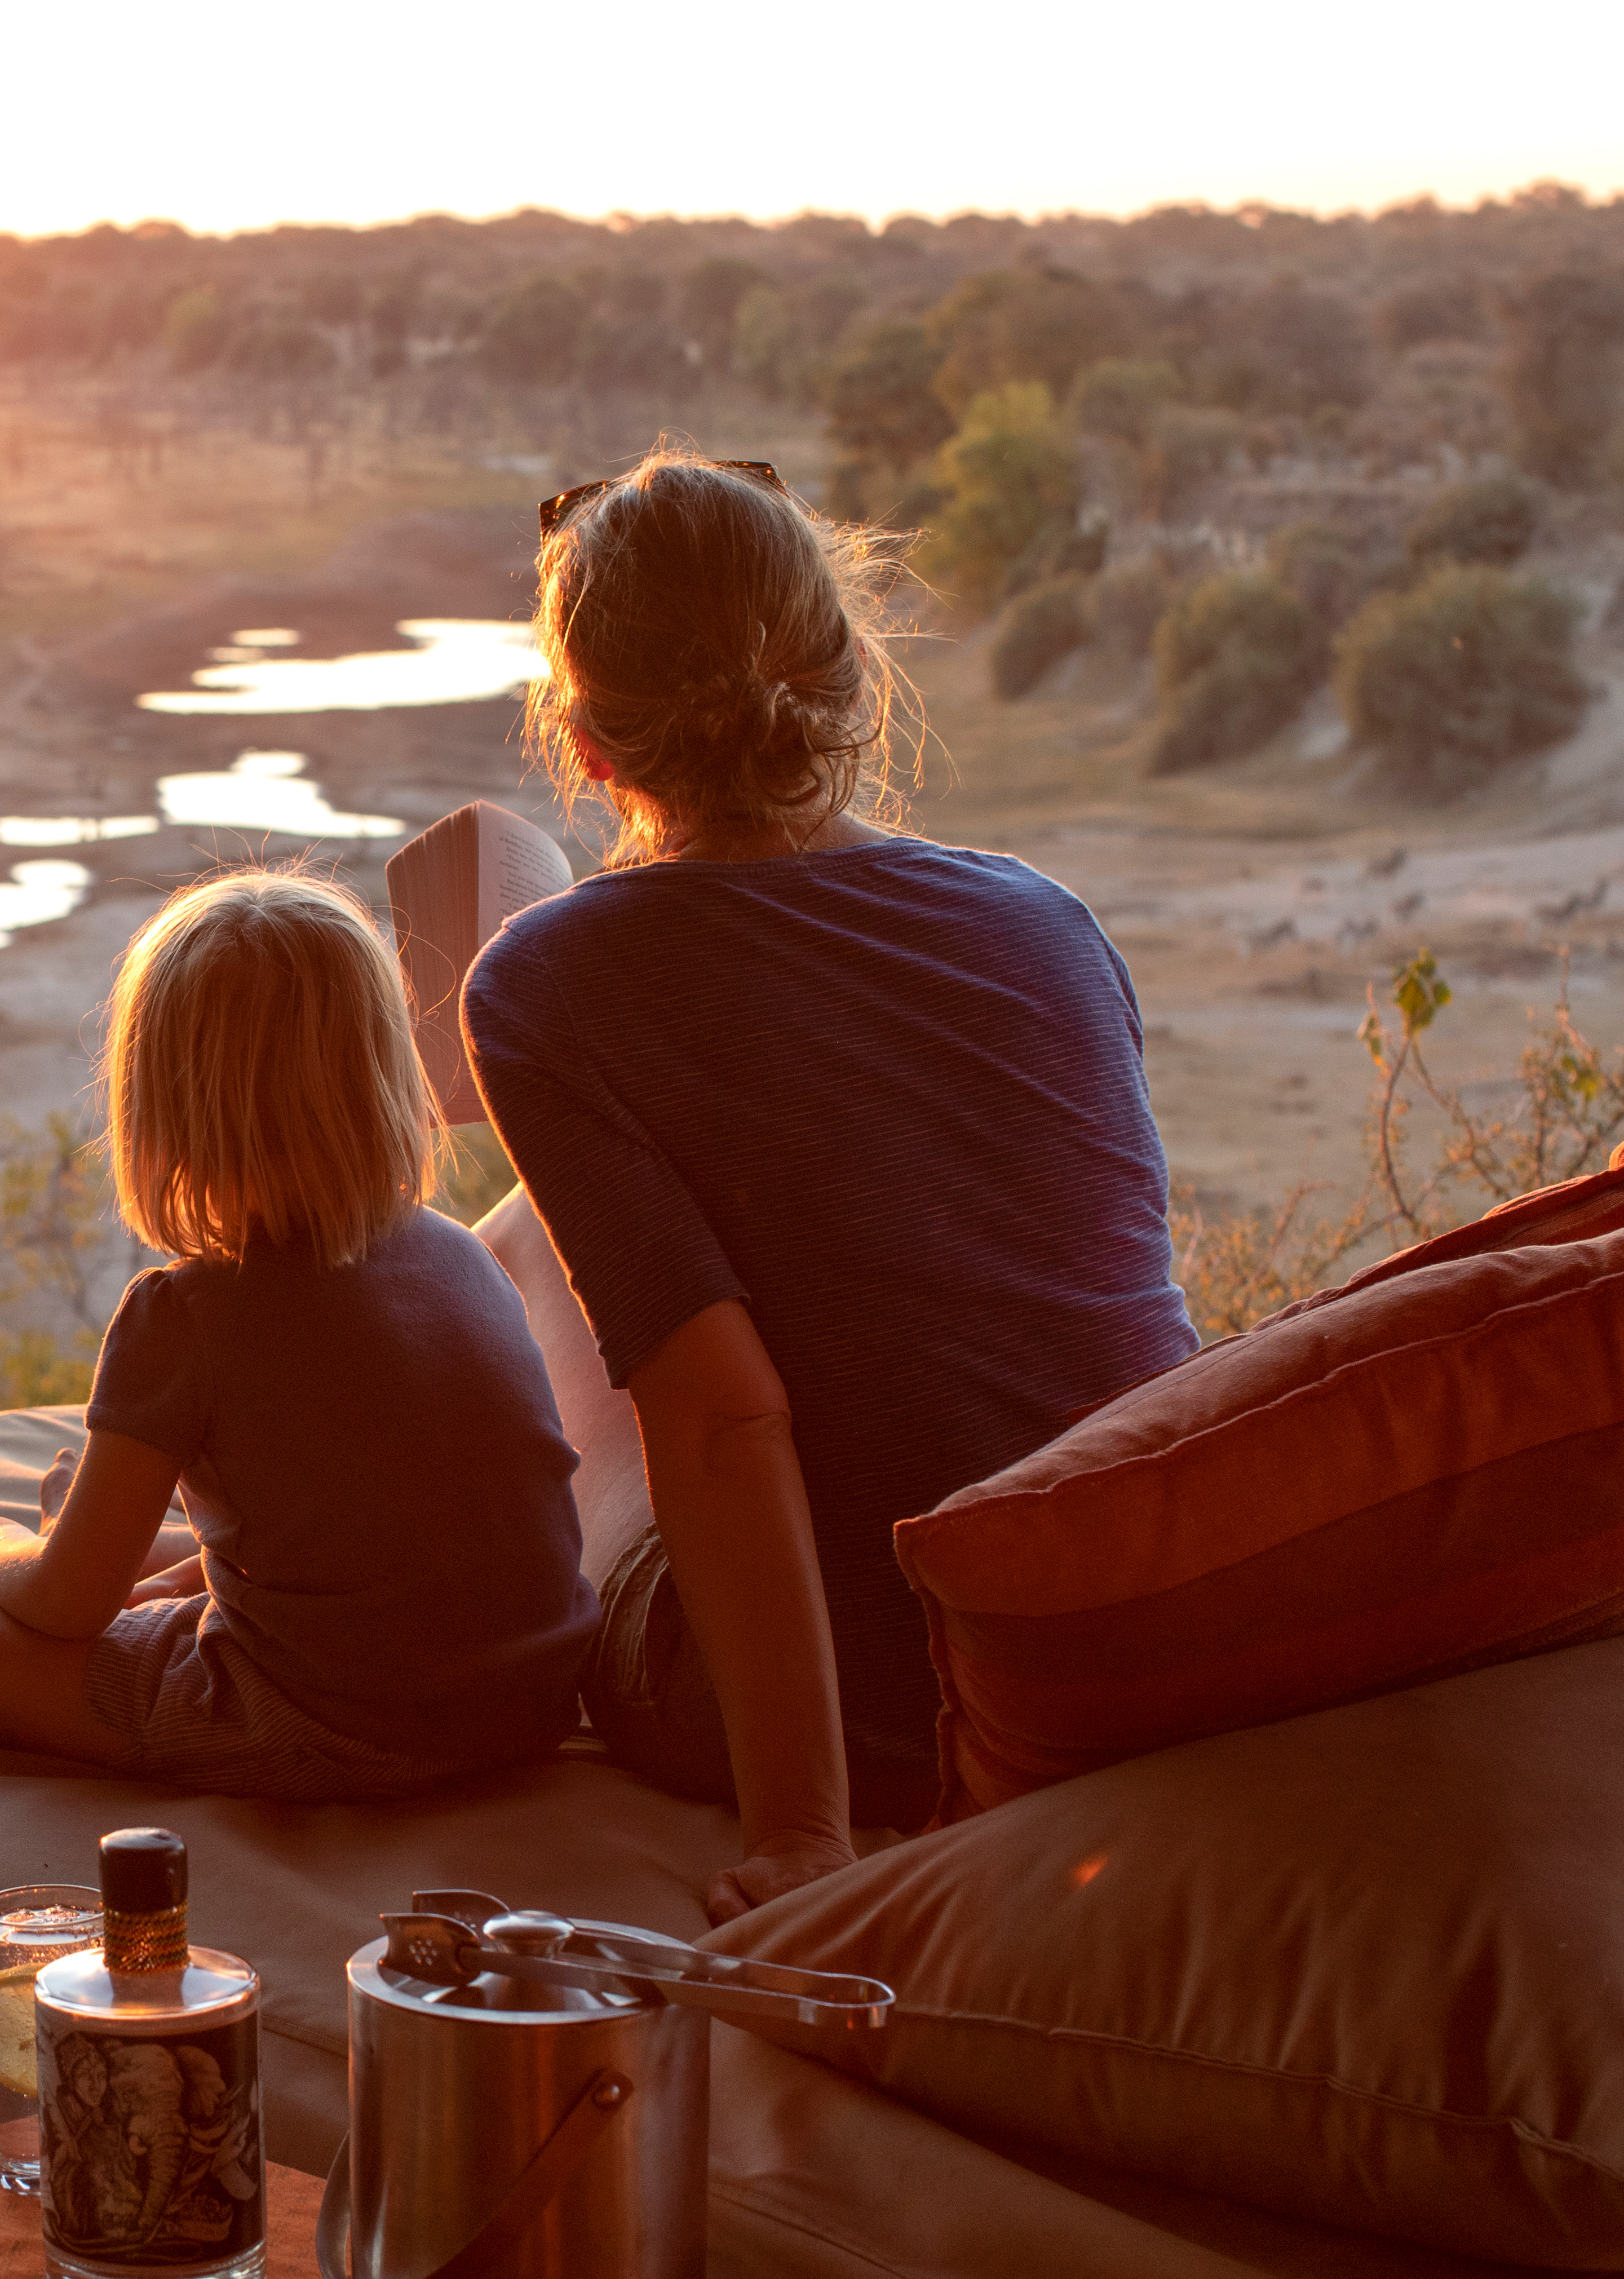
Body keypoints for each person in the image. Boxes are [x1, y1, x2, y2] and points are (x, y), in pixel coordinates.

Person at [464, 452, 1198, 1920]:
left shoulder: (550, 982)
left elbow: (726, 1415)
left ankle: (243, 1534)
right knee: (562, 1237)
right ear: (856, 673)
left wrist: (808, 1827)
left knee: (529, 1261)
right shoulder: (1045, 921)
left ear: (588, 741)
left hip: (883, 1707)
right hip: (1143, 1629)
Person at [0, 871, 595, 1802]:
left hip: (337, 1725)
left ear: (163, 1110)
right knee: (160, 1541)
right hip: (529, 1700)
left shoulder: (186, 1315)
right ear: (383, 1072)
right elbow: (384, 1525)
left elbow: (67, 1605)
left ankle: (49, 1541)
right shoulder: (462, 1255)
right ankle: (109, 1547)